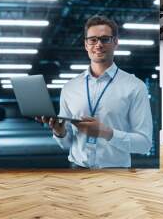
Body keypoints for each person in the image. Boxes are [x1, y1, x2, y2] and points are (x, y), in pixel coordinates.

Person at [37, 15, 153, 168]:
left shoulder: (135, 86)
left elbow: (144, 144)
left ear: (115, 43)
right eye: (92, 40)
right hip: (77, 170)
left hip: (116, 174)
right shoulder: (70, 87)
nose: (98, 45)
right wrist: (60, 132)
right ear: (86, 44)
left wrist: (106, 132)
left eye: (105, 39)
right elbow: (66, 144)